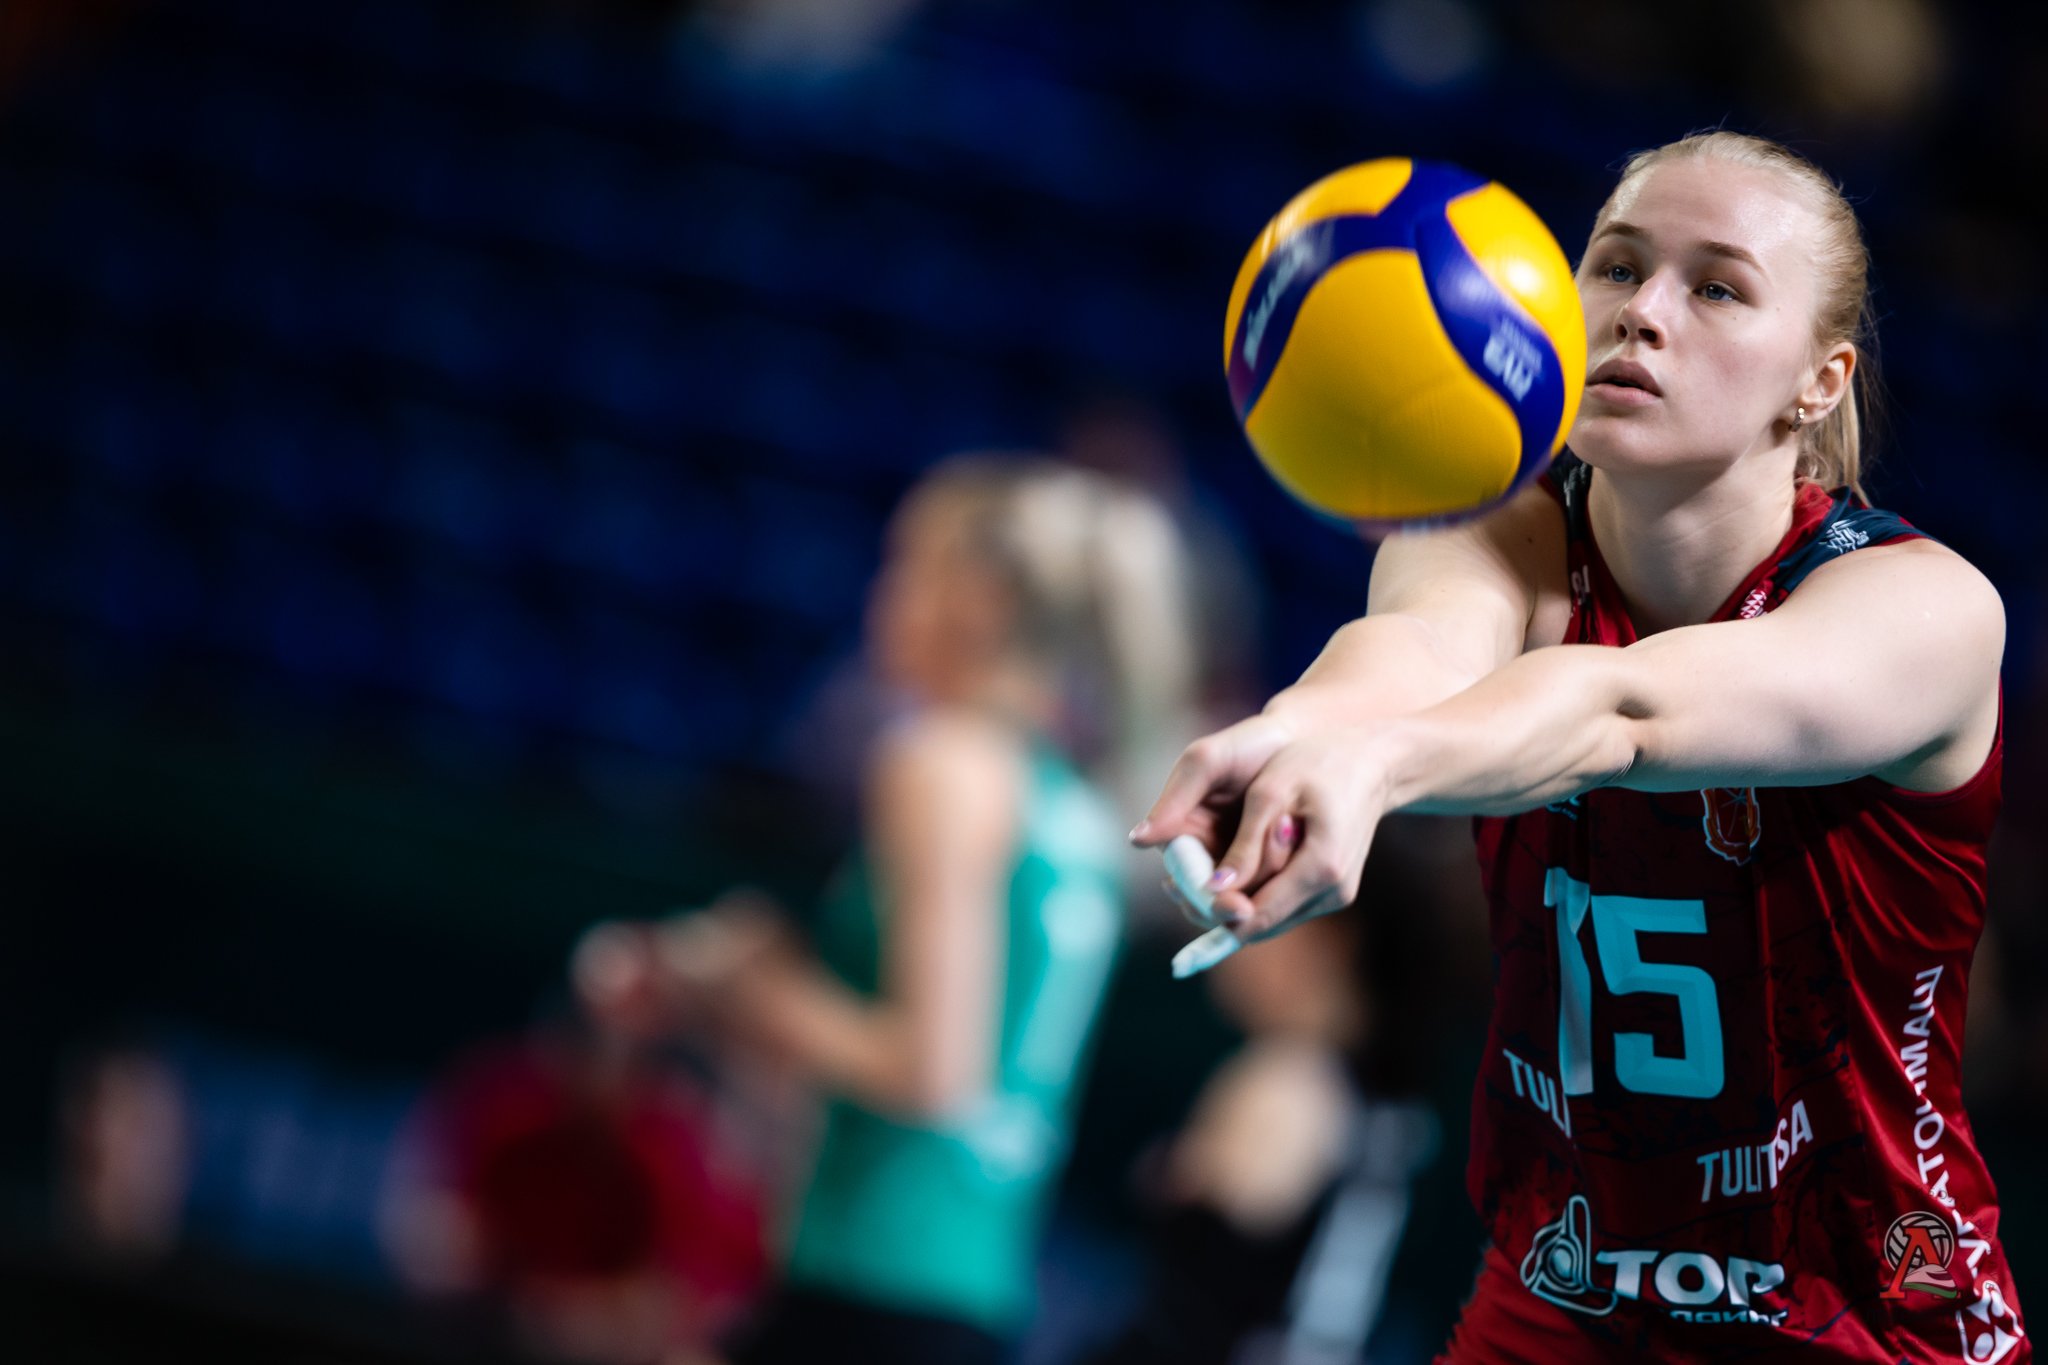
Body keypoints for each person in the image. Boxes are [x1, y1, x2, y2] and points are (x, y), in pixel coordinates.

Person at [1134, 132, 2029, 1362]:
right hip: (1560, 1298)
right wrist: (1293, 734)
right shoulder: (1493, 531)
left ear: (1816, 384)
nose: (1640, 311)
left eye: (1715, 288)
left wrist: (1379, 763)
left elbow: (1622, 712)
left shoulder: (1922, 609)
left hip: (1857, 1313)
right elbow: (1410, 654)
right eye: (1614, 266)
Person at [577, 454, 1196, 1365]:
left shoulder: (942, 763)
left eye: (904, 565)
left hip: (868, 1283)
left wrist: (748, 985)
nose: (881, 593)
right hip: (966, 1293)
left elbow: (933, 1072)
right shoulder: (1071, 803)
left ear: (978, 598)